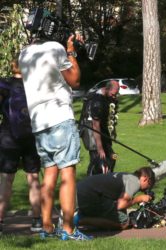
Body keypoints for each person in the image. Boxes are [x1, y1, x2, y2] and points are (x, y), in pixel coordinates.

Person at [18, 28, 90, 240]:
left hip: (39, 122)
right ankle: (68, 229)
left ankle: (47, 227)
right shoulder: (55, 48)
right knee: (67, 172)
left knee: (49, 173)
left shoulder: (24, 53)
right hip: (59, 116)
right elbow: (74, 79)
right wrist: (71, 51)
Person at [0, 58, 41, 234]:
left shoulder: (4, 84)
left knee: (6, 180)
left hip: (8, 137)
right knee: (33, 178)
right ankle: (37, 220)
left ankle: (0, 221)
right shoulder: (36, 85)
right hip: (31, 137)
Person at [75, 166, 155, 230]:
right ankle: (80, 219)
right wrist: (139, 199)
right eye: (149, 186)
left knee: (119, 214)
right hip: (88, 195)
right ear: (145, 179)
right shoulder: (135, 182)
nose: (146, 189)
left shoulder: (127, 176)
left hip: (79, 191)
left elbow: (118, 203)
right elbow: (120, 205)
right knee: (124, 221)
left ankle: (84, 217)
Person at [79, 80, 120, 175]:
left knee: (113, 157)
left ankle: (107, 178)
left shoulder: (106, 96)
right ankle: (90, 182)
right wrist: (100, 148)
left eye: (116, 94)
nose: (114, 97)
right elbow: (95, 125)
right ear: (106, 89)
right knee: (97, 161)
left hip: (102, 131)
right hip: (91, 133)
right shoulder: (97, 102)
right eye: (113, 94)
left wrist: (112, 133)